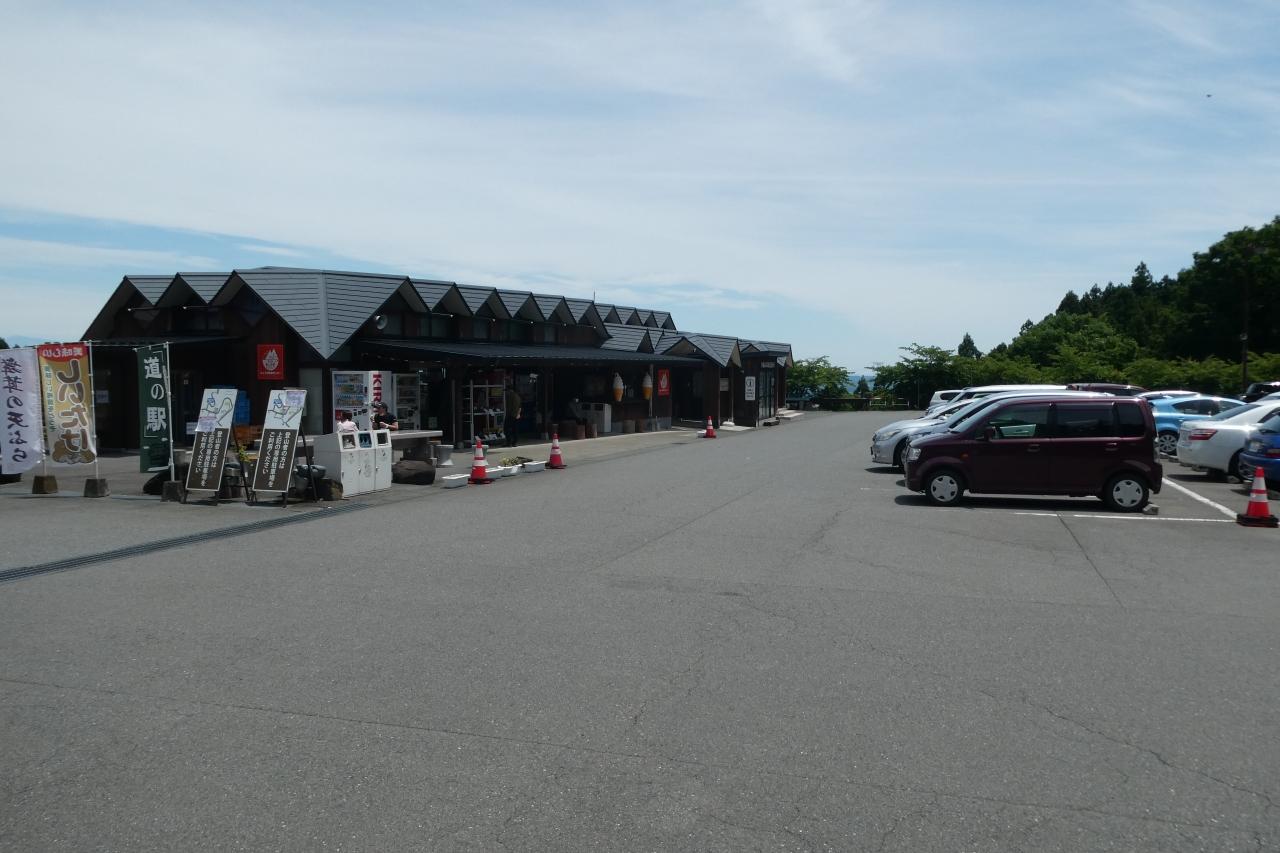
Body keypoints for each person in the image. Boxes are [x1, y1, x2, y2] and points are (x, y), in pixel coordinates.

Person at [503, 380, 522, 447]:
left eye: (507, 391)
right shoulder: (517, 396)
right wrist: (518, 414)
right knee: (515, 429)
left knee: (506, 429)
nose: (506, 392)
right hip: (516, 415)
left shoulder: (510, 396)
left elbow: (509, 407)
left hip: (510, 415)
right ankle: (515, 442)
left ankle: (509, 442)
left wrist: (507, 415)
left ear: (509, 390)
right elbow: (520, 407)